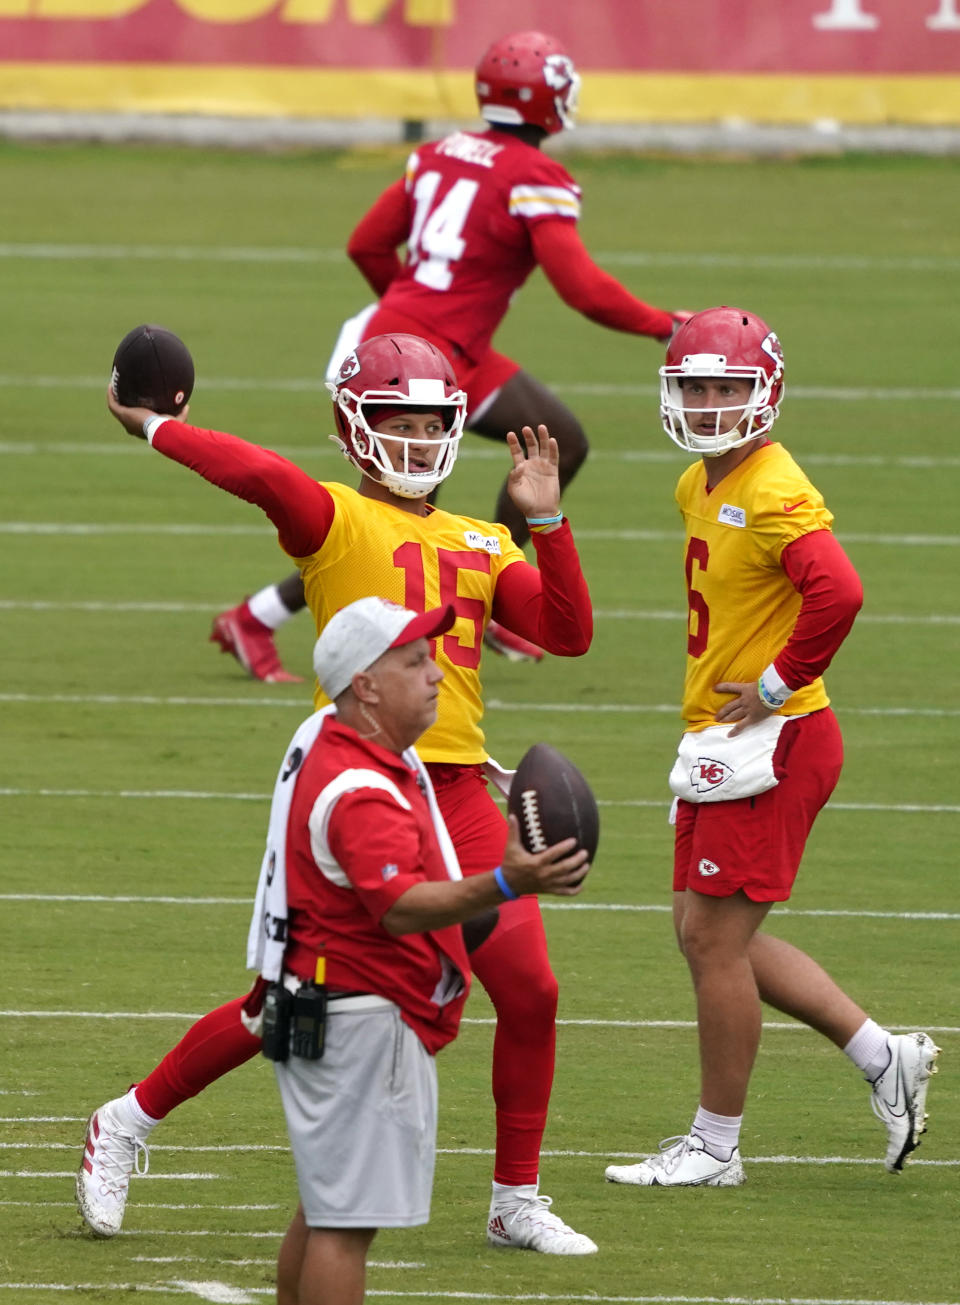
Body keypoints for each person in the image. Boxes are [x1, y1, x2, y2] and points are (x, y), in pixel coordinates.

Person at [79, 332, 599, 1254]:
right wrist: (155, 426)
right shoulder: (335, 520)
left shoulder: (481, 538)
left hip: (462, 795)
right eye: (397, 421)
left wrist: (546, 523)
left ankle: (514, 1198)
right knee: (283, 1003)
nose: (416, 438)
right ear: (356, 428)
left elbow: (567, 632)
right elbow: (261, 474)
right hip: (359, 784)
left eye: (434, 422)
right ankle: (128, 1118)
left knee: (531, 991)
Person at [209, 28, 690, 681]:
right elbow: (579, 288)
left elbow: (366, 246)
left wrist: (408, 317)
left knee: (561, 442)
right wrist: (663, 323)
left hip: (440, 343)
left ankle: (490, 598)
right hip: (421, 356)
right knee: (398, 521)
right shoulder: (536, 174)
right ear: (547, 98)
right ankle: (255, 617)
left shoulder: (438, 153)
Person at [604, 306, 940, 1188]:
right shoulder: (697, 483)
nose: (710, 404)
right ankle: (882, 1054)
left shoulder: (776, 484)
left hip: (776, 738)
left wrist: (776, 685)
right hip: (728, 738)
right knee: (707, 934)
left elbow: (840, 590)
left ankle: (717, 1146)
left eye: (727, 386)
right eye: (695, 387)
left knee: (715, 940)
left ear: (765, 392)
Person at [245, 595, 590, 1305]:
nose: (437, 675)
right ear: (364, 685)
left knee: (323, 1206)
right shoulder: (363, 786)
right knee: (347, 1226)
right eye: (414, 661)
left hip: (326, 1006)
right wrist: (507, 881)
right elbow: (398, 906)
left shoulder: (348, 745)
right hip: (360, 1022)